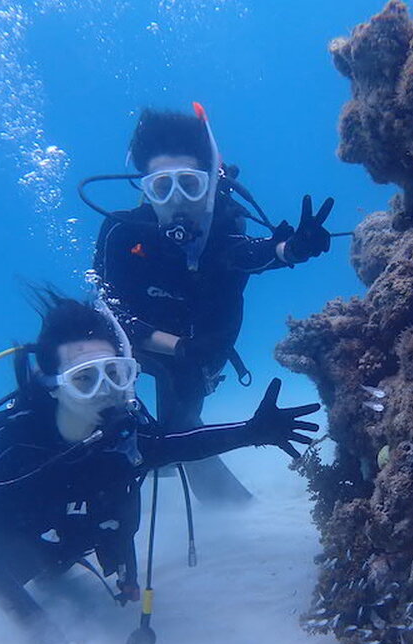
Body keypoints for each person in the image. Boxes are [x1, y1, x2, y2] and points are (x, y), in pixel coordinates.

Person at [0, 291, 320, 644]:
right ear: (52, 385)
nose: (105, 390)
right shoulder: (10, 451)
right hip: (21, 528)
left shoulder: (125, 435)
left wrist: (252, 432)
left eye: (115, 373)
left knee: (72, 551)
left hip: (74, 529)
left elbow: (179, 445)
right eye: (84, 379)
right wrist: (46, 638)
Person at [91, 105, 334, 504]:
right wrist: (176, 346)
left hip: (198, 354)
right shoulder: (121, 233)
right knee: (91, 399)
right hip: (139, 344)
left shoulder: (222, 232)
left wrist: (292, 249)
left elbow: (252, 252)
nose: (176, 199)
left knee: (180, 426)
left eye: (189, 184)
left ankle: (231, 510)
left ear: (209, 183)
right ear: (145, 190)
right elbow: (108, 313)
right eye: (161, 187)